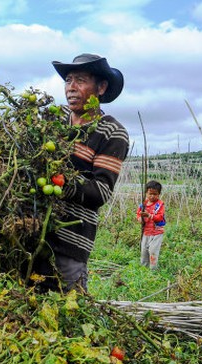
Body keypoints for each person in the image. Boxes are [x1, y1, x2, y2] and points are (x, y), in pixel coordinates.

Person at [37, 53, 130, 292]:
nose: (71, 87)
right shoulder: (52, 121)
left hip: (70, 243)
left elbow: (100, 192)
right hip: (32, 235)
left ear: (101, 87)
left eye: (80, 80)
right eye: (68, 80)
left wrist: (58, 180)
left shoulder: (112, 132)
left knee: (71, 312)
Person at [136, 180, 165, 270]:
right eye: (150, 194)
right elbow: (138, 213)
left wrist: (149, 215)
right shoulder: (144, 204)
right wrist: (139, 218)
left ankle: (153, 269)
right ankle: (144, 268)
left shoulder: (159, 205)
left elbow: (160, 217)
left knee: (153, 250)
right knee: (144, 250)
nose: (152, 196)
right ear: (146, 193)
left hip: (157, 232)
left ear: (159, 194)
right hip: (146, 232)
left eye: (155, 194)